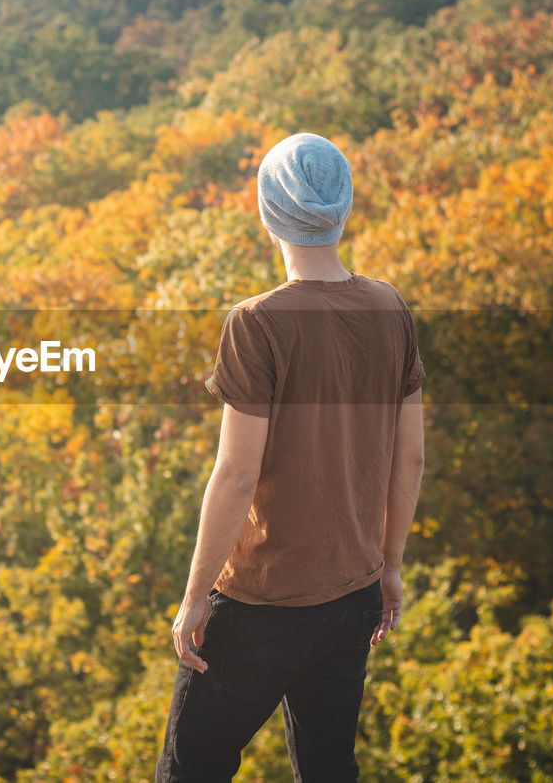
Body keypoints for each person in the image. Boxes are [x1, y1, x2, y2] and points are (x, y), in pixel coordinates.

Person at [156, 132, 426, 782]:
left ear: (266, 211)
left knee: (191, 768)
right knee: (330, 768)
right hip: (355, 590)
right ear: (344, 206)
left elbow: (238, 473)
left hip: (261, 600)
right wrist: (389, 567)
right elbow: (409, 459)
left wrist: (194, 597)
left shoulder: (257, 322)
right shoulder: (390, 308)